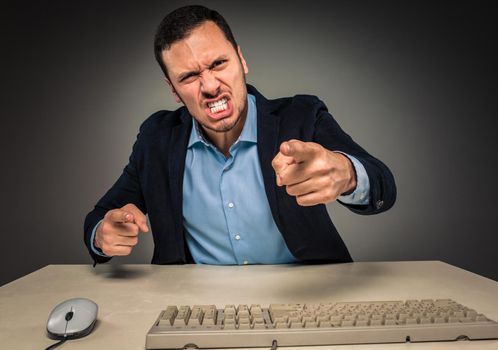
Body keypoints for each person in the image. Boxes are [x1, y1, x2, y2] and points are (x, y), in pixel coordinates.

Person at [84, 5, 396, 266]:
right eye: (189, 76)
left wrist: (347, 173)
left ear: (241, 60)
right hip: (199, 310)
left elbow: (383, 185)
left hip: (305, 298)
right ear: (174, 90)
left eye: (218, 63)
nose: (209, 86)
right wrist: (103, 234)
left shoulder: (300, 117)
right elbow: (102, 216)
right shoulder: (157, 139)